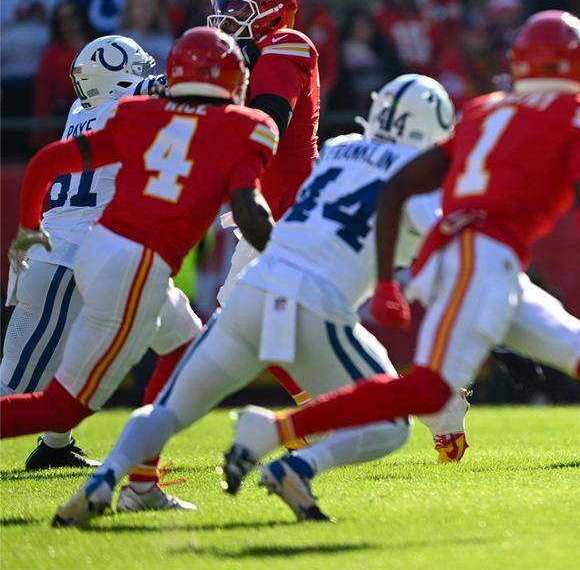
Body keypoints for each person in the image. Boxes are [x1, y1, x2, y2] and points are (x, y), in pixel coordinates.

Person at [219, 10, 580, 529]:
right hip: (478, 254)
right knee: (428, 391)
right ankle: (275, 432)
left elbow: (399, 186)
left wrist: (388, 280)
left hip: (483, 258)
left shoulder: (484, 109)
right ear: (577, 64)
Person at [53, 75, 470, 527]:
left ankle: (109, 478)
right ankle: (295, 463)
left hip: (252, 288)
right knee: (389, 423)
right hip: (313, 302)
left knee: (170, 410)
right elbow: (447, 242)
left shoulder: (340, 148)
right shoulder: (417, 179)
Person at [1, 28, 276, 514]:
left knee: (185, 348)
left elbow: (54, 156)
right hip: (86, 253)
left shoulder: (93, 109)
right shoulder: (134, 107)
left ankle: (135, 480)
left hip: (92, 247)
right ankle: (123, 478)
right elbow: (176, 91)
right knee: (41, 394)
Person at [3, 36, 171, 473]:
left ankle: (55, 446)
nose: (144, 73)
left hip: (81, 253)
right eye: (135, 68)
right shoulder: (120, 105)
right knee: (15, 384)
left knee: (74, 364)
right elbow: (165, 87)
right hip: (64, 256)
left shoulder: (80, 111)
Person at [208, 0, 320, 405]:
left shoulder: (287, 44)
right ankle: (328, 413)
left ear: (271, 14)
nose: (224, 19)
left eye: (236, 9)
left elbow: (269, 121)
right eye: (221, 9)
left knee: (245, 317)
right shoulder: (246, 58)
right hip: (271, 203)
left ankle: (337, 412)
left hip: (291, 204)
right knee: (255, 321)